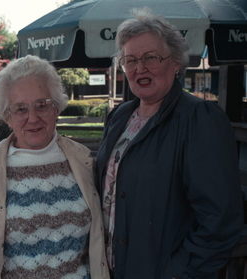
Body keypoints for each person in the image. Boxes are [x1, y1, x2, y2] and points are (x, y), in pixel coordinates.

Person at [95, 8, 244, 279]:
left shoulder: (199, 118)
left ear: (175, 62)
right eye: (130, 60)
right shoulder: (120, 116)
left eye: (151, 57)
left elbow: (220, 221)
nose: (140, 68)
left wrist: (178, 273)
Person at [0, 55, 109, 279]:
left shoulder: (83, 161)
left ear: (56, 108)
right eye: (21, 109)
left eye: (42, 105)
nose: (32, 118)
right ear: (7, 116)